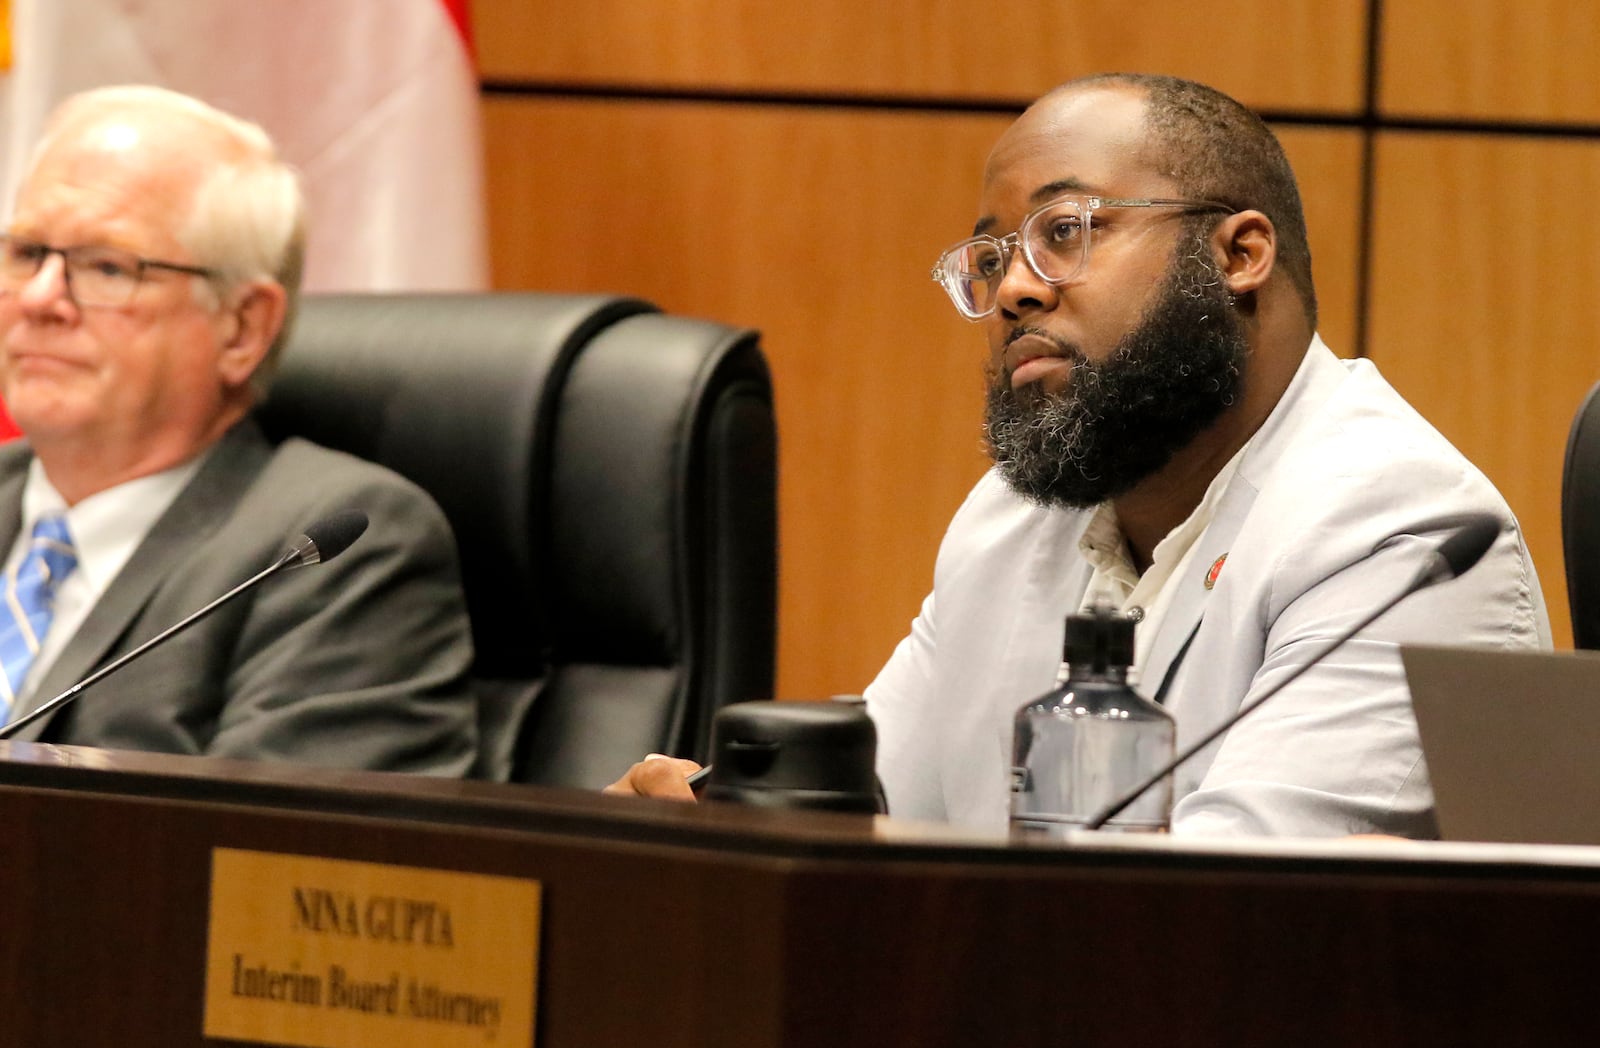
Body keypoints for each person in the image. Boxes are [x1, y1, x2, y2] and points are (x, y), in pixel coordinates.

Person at [610, 72, 1552, 837]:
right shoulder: (1010, 520)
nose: (1014, 289)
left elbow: (1229, 933)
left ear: (1239, 253)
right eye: (991, 259)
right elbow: (870, 808)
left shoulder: (1398, 533)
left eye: (1065, 233)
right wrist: (729, 828)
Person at [0, 85, 476, 773]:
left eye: (107, 266)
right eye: (26, 253)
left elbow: (280, 861)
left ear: (242, 326)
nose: (41, 300)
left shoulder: (333, 552)